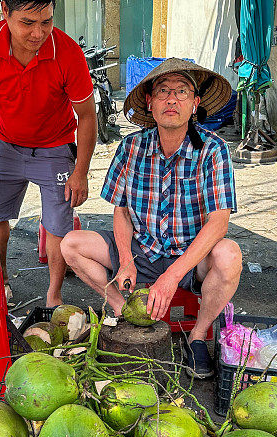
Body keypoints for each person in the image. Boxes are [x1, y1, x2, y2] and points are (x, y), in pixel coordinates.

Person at [60, 58, 243, 379]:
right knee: (71, 244)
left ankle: (198, 335)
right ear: (150, 101)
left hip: (189, 258)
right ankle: (122, 311)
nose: (172, 99)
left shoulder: (214, 150)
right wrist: (127, 259)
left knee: (229, 255)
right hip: (140, 248)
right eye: (163, 91)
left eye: (182, 91)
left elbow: (219, 223)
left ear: (195, 103)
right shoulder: (131, 147)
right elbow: (122, 211)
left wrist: (172, 276)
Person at [0, 0, 97, 305]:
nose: (38, 33)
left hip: (55, 148)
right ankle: (1, 283)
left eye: (46, 22)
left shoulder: (67, 52)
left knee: (57, 225)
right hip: (6, 146)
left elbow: (87, 116)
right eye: (27, 23)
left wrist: (80, 173)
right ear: (4, 12)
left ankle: (54, 295)